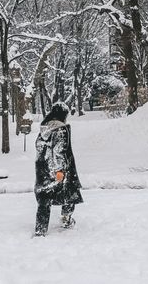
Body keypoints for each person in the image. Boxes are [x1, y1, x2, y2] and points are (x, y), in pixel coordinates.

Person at [33, 101, 83, 236]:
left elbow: (39, 148)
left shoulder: (44, 129)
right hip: (59, 170)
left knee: (44, 198)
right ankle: (66, 219)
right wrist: (59, 170)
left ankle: (40, 229)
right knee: (70, 193)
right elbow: (59, 151)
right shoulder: (61, 129)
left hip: (43, 169)